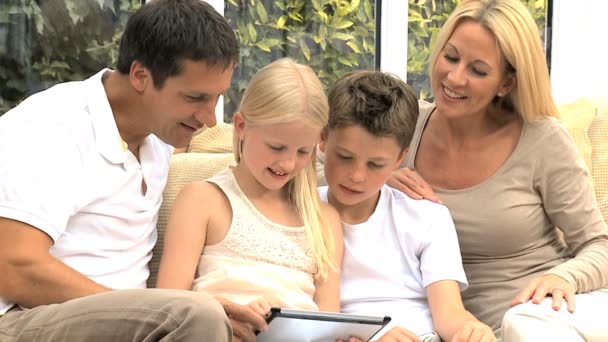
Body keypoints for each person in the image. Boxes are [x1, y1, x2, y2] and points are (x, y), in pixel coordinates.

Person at [0, 1, 269, 341]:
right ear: (141, 76)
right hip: (24, 320)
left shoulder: (158, 136)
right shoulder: (51, 126)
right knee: (199, 313)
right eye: (195, 98)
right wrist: (150, 311)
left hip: (124, 322)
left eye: (216, 98)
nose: (209, 118)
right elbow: (13, 268)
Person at [386, 0, 608, 340]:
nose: (454, 78)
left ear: (506, 83)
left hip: (541, 319)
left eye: (478, 70)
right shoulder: (404, 124)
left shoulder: (542, 139)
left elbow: (599, 245)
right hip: (451, 329)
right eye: (451, 57)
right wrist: (377, 178)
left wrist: (566, 277)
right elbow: (313, 171)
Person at [156, 58, 343, 326]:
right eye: (276, 147)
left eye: (304, 151)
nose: (288, 163)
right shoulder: (204, 200)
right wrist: (232, 311)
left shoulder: (324, 219)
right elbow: (168, 304)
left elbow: (329, 323)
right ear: (242, 127)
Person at [319, 70, 495, 342]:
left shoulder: (426, 217)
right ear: (323, 139)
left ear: (400, 158)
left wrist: (472, 331)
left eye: (375, 165)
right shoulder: (298, 213)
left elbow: (450, 315)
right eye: (344, 157)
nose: (356, 176)